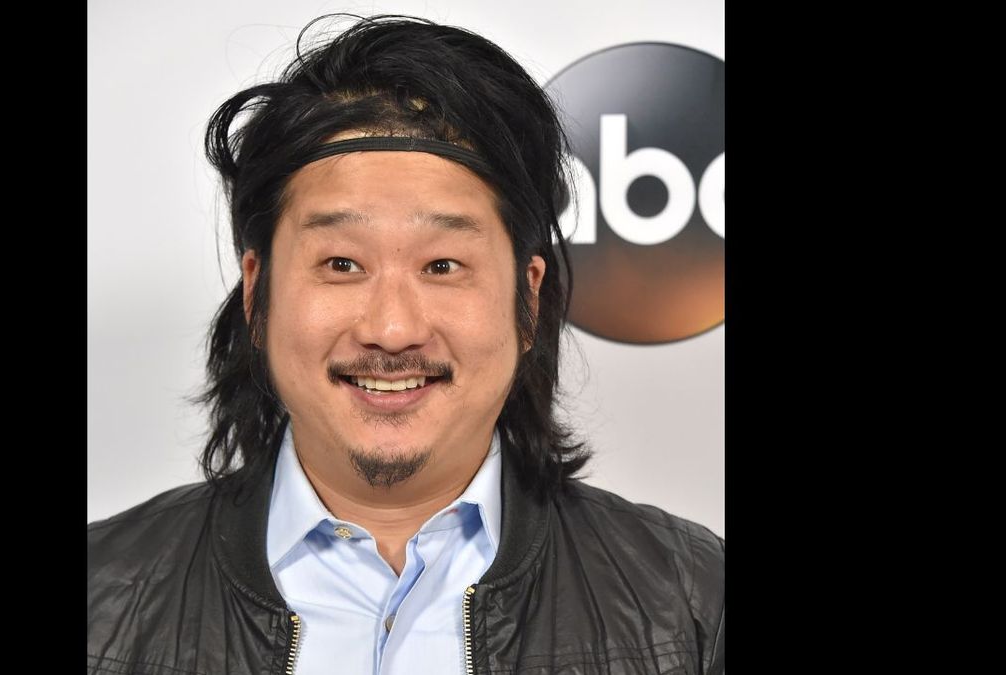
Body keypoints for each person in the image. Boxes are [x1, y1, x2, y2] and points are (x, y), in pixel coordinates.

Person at [88, 15, 723, 675]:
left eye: (442, 265)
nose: (392, 329)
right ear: (257, 292)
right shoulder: (101, 603)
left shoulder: (694, 608)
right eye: (341, 263)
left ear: (528, 299)